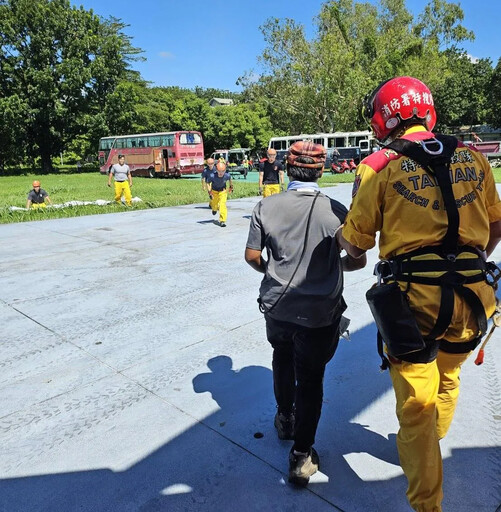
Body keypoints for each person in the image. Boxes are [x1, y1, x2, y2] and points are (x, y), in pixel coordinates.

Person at [337, 76, 501, 512]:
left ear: (382, 120)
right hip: (476, 299)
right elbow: (497, 223)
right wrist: (467, 261)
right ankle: (433, 441)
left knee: (416, 406)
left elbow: (356, 245)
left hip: (413, 306)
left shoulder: (377, 166)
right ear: (429, 112)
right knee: (448, 376)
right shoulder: (473, 159)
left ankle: (427, 502)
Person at [245, 141, 366, 487]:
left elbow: (253, 256)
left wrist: (271, 272)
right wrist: (333, 267)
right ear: (322, 170)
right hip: (319, 314)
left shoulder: (265, 206)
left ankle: (284, 418)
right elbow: (358, 257)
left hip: (277, 307)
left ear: (285, 168)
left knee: (281, 356)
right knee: (310, 379)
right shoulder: (337, 211)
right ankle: (301, 457)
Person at [207, 161, 233, 227]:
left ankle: (222, 220)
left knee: (222, 204)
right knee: (214, 203)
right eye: (219, 171)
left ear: (225, 170)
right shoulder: (212, 176)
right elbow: (208, 183)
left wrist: (231, 187)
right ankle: (214, 209)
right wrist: (209, 191)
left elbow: (230, 179)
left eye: (223, 171)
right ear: (216, 170)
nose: (221, 173)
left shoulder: (227, 175)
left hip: (222, 191)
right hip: (214, 191)